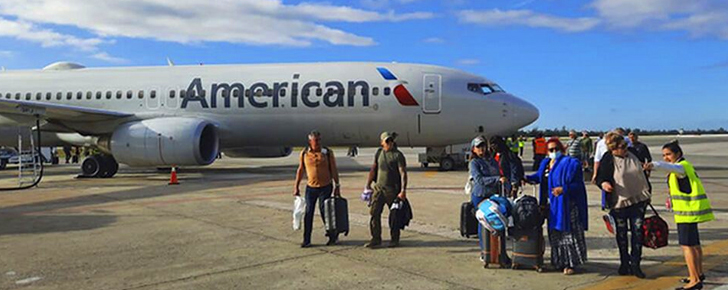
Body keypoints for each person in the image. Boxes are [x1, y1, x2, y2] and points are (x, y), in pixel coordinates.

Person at [645, 141, 714, 290]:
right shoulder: (684, 167)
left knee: (687, 246)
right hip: (690, 212)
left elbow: (670, 167)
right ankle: (698, 274)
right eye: (663, 155)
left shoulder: (681, 167)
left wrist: (653, 165)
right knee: (695, 245)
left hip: (686, 214)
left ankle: (694, 280)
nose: (666, 158)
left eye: (668, 154)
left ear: (678, 154)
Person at [526, 139, 588, 275]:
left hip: (567, 205)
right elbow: (539, 177)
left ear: (562, 149)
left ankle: (571, 263)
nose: (554, 152)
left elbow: (578, 185)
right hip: (551, 205)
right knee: (555, 236)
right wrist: (526, 178)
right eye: (550, 150)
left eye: (556, 149)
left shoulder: (571, 164)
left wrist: (564, 189)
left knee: (569, 235)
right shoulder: (546, 163)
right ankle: (559, 261)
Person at [595, 133, 651, 278]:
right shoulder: (608, 158)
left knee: (637, 232)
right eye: (622, 147)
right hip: (619, 202)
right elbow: (600, 177)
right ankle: (624, 263)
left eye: (626, 146)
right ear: (613, 149)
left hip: (638, 200)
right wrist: (604, 184)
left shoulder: (632, 154)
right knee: (622, 234)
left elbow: (643, 171)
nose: (625, 149)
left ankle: (636, 264)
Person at [293, 130, 341, 248]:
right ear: (310, 141)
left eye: (319, 140)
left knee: (325, 212)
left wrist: (337, 185)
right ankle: (306, 239)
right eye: (316, 140)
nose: (318, 142)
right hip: (311, 188)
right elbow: (301, 170)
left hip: (325, 187)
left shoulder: (327, 153)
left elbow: (334, 169)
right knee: (308, 213)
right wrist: (296, 186)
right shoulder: (304, 153)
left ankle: (332, 236)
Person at [364, 132, 408, 248]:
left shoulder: (398, 155)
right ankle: (376, 238)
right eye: (387, 141)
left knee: (394, 216)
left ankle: (394, 239)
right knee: (374, 213)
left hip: (392, 190)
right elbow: (373, 169)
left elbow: (403, 173)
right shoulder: (379, 153)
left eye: (391, 141)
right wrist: (368, 185)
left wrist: (403, 190)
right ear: (382, 142)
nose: (389, 143)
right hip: (378, 189)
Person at [468, 136, 507, 261]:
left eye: (483, 146)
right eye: (478, 146)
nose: (481, 149)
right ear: (473, 149)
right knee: (484, 222)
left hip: (492, 194)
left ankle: (496, 250)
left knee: (495, 221)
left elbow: (499, 173)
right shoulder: (474, 163)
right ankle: (484, 251)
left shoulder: (491, 160)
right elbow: (479, 180)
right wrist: (496, 179)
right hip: (480, 195)